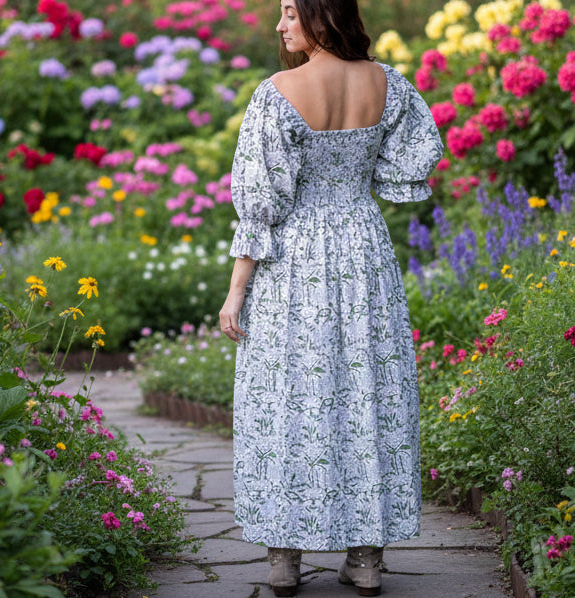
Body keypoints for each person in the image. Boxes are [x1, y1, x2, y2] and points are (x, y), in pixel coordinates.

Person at [219, 0, 444, 595]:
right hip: (364, 251)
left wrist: (236, 289)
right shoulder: (388, 84)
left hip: (296, 260)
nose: (280, 25)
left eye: (290, 12)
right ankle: (366, 560)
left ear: (323, 15)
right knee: (367, 388)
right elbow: (410, 162)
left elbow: (261, 200)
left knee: (288, 391)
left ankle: (284, 559)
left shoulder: (277, 91)